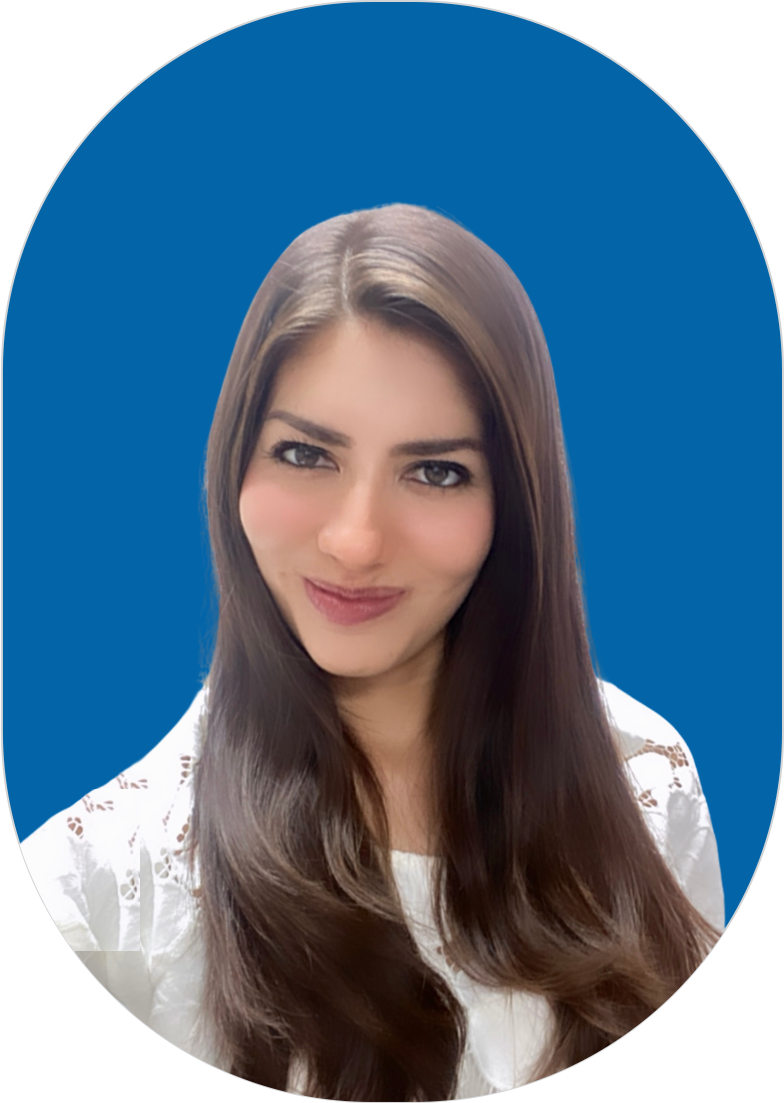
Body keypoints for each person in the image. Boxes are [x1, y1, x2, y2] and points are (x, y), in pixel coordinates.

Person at [21, 204, 724, 1101]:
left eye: (436, 471)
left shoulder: (647, 784)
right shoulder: (91, 898)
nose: (356, 541)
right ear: (235, 466)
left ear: (514, 505)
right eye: (305, 453)